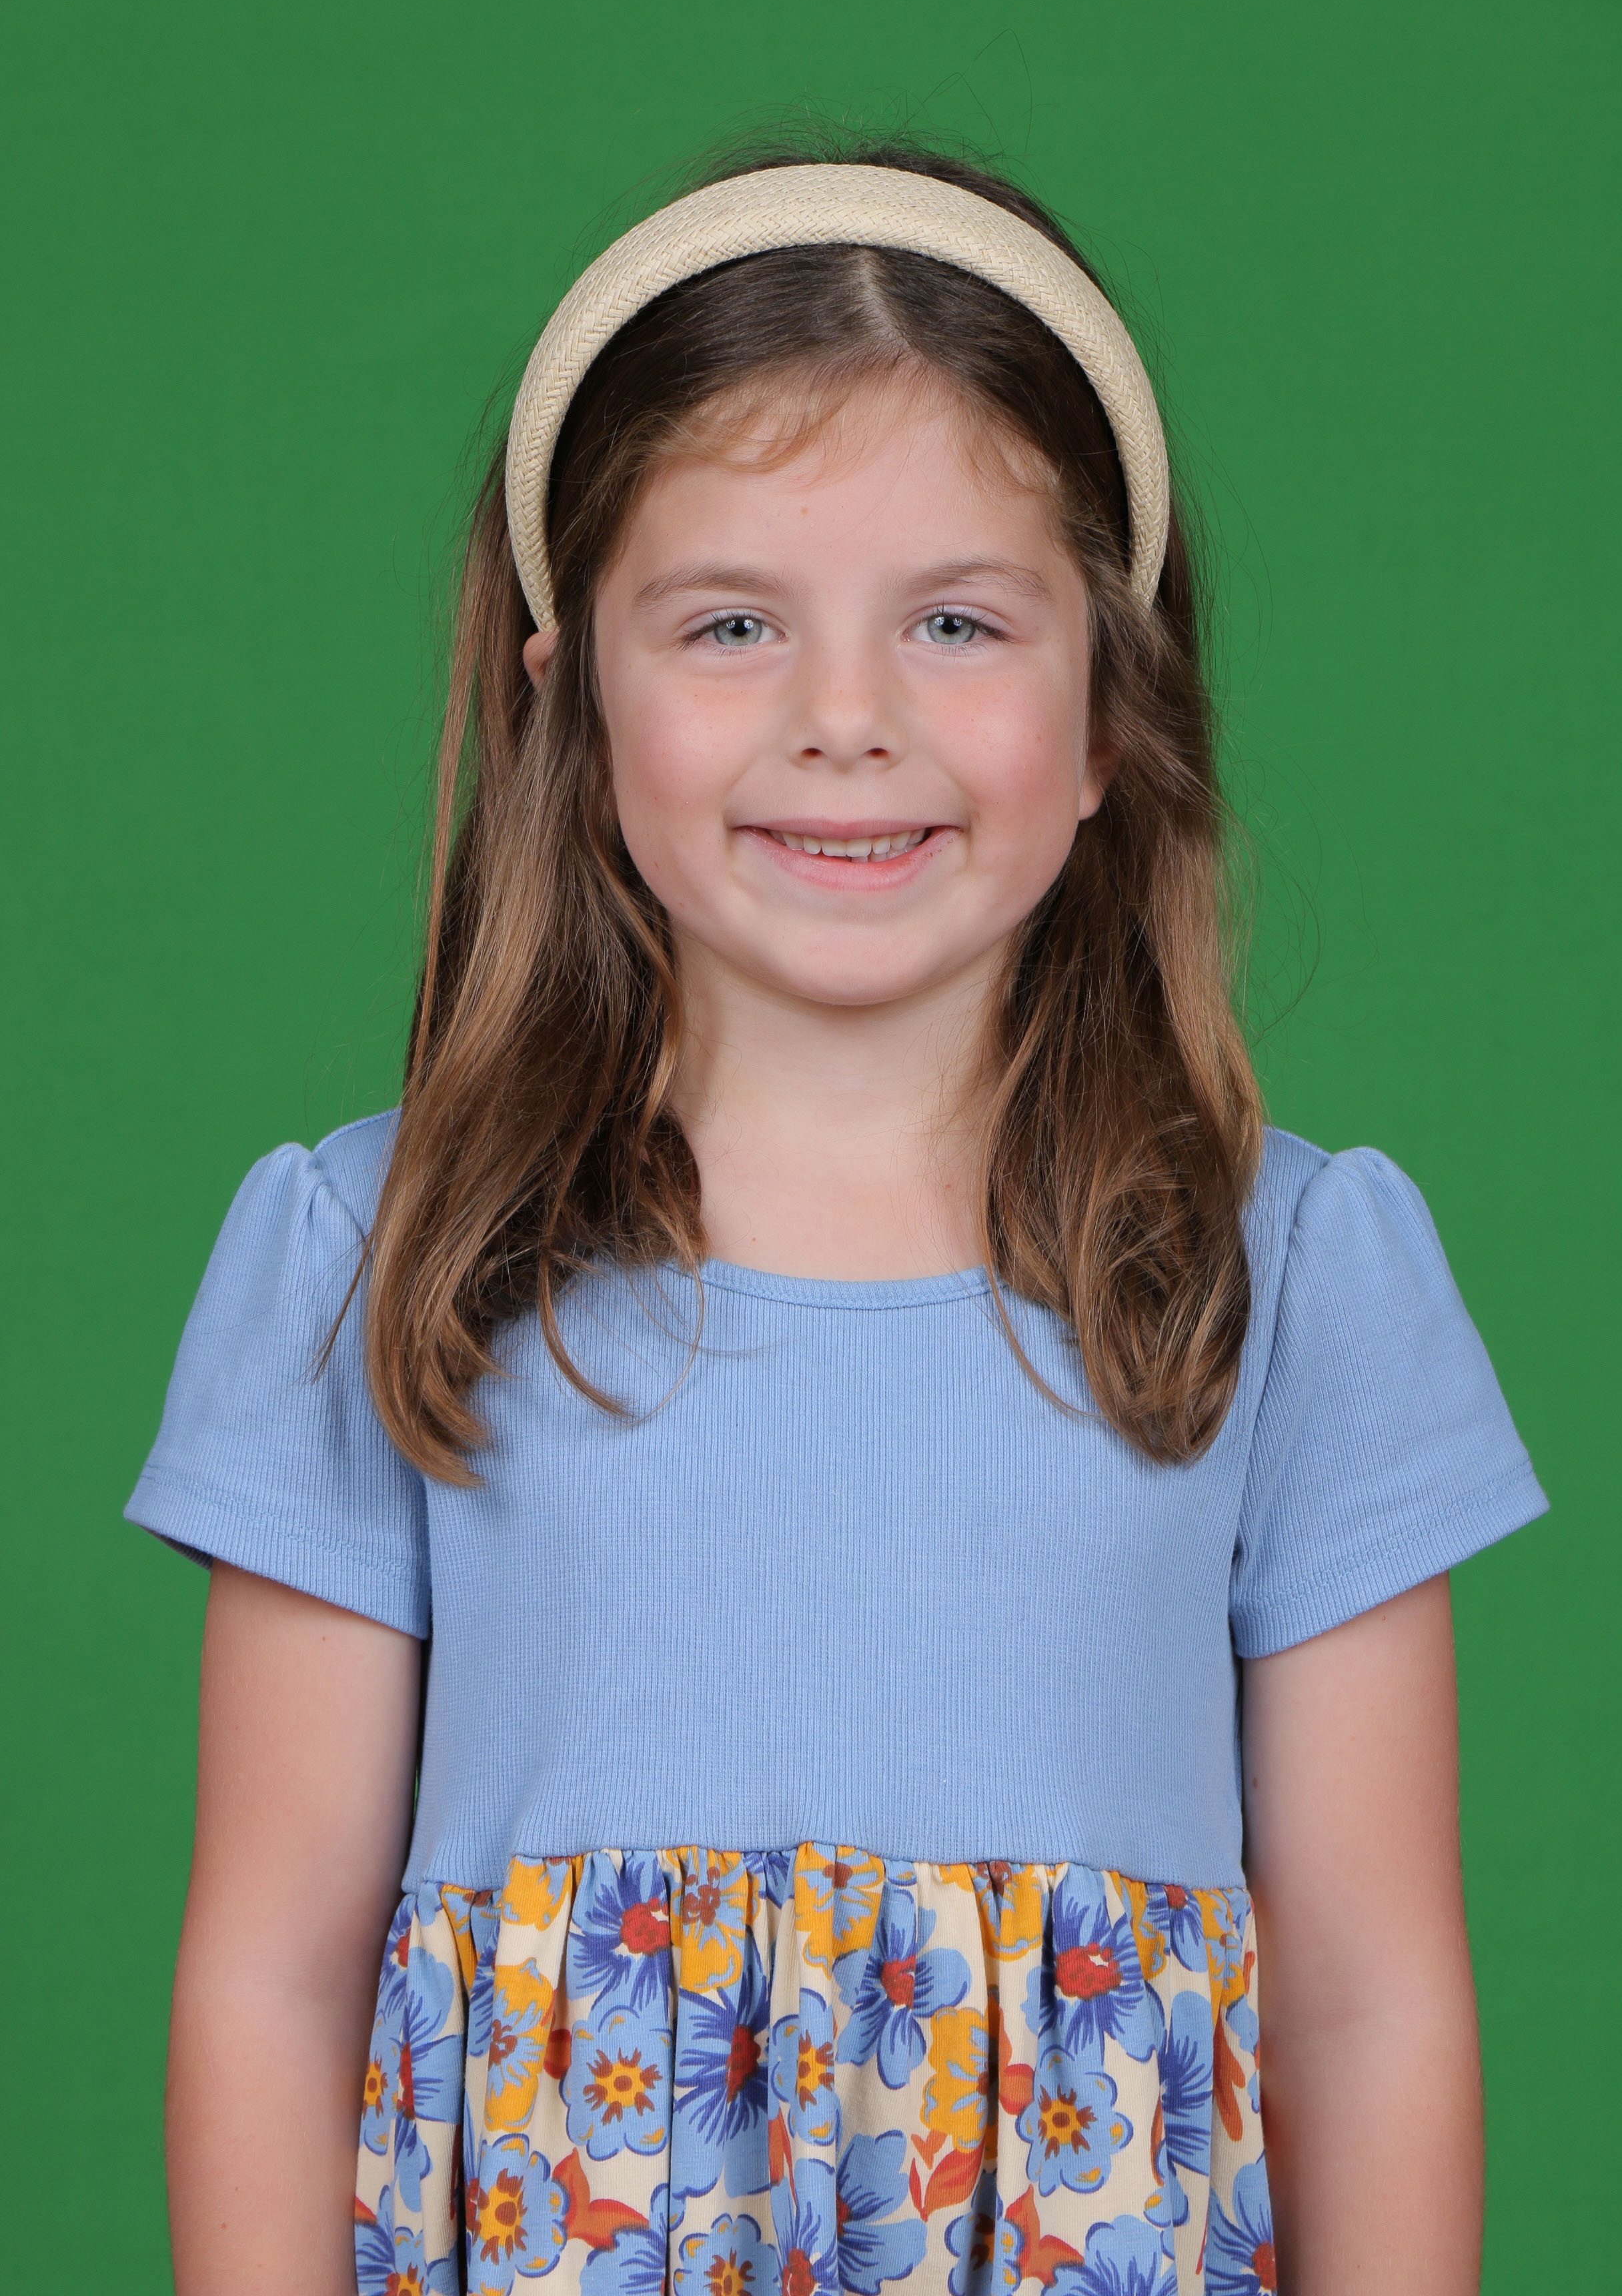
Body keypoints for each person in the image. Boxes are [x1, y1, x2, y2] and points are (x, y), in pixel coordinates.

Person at [128, 142, 1547, 2296]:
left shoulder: (1293, 1272)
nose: (848, 720)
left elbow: (1372, 2001)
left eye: (957, 622)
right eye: (731, 625)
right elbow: (268, 1974)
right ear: (567, 700)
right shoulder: (372, 1254)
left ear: (1112, 713)